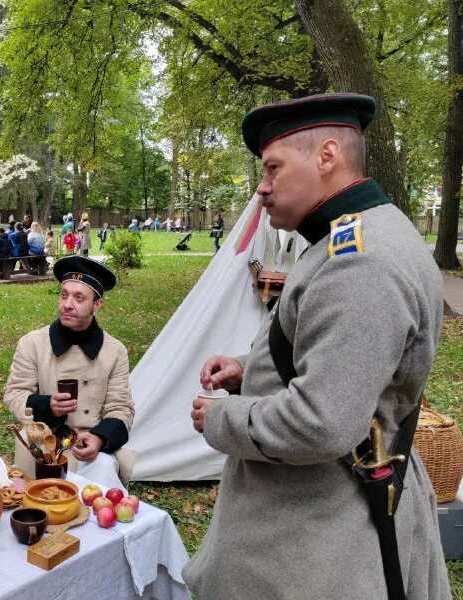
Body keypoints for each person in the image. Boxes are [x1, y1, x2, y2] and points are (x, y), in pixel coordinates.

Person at [184, 93, 450, 599]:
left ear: (327, 157)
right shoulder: (350, 235)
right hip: (319, 511)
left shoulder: (359, 262)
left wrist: (220, 418)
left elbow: (322, 422)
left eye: (272, 168)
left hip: (316, 534)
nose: (262, 188)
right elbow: (342, 356)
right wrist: (248, 368)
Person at [3, 256, 134, 490]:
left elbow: (121, 408)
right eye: (64, 295)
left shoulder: (114, 352)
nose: (67, 304)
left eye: (79, 298)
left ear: (97, 305)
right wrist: (47, 406)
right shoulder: (32, 344)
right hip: (42, 442)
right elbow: (14, 394)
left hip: (86, 445)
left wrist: (99, 438)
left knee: (97, 498)